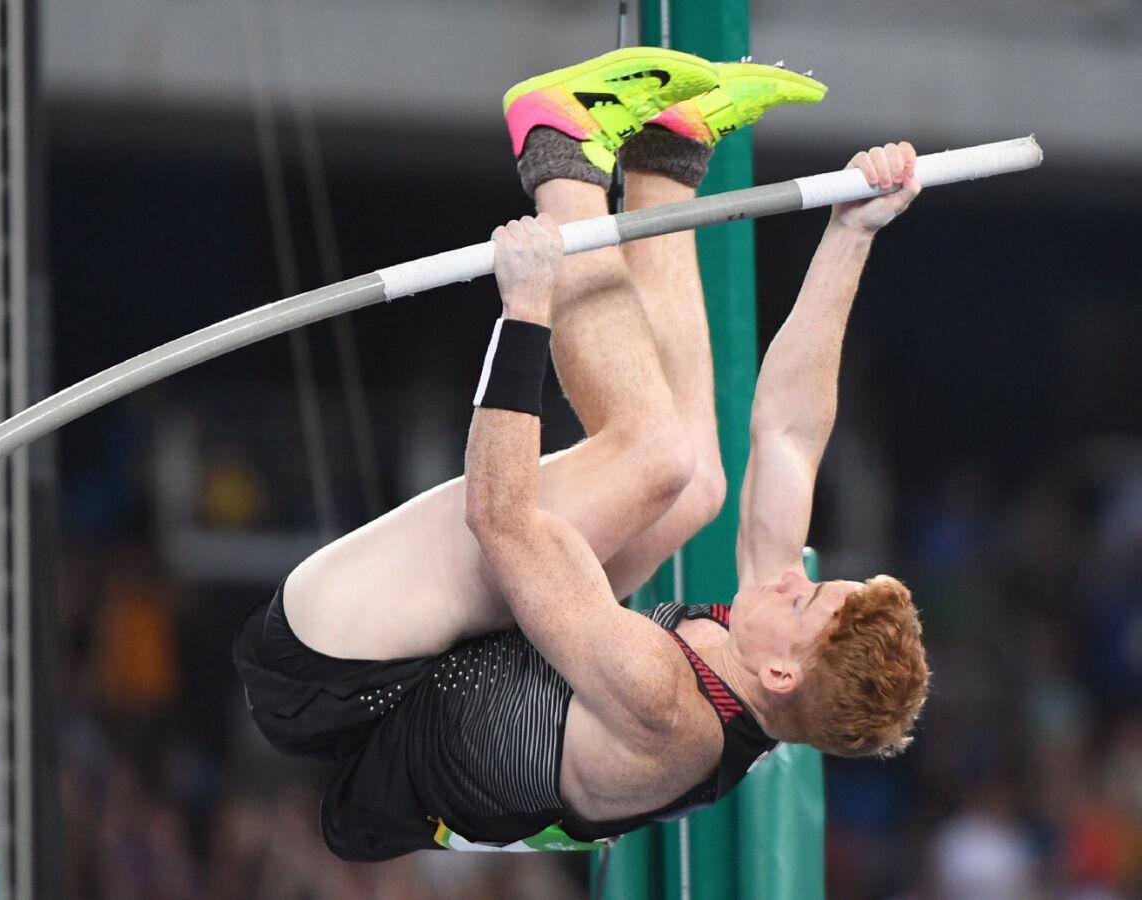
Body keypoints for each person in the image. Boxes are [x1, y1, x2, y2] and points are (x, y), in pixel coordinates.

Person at [234, 47, 930, 861]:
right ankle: (664, 159)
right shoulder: (768, 667)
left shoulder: (664, 704)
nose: (790, 577)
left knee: (653, 458)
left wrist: (525, 312)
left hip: (333, 669)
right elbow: (788, 433)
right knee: (697, 484)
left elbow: (500, 517)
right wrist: (852, 234)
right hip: (447, 660)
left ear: (783, 673)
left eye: (803, 602)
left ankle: (557, 151)